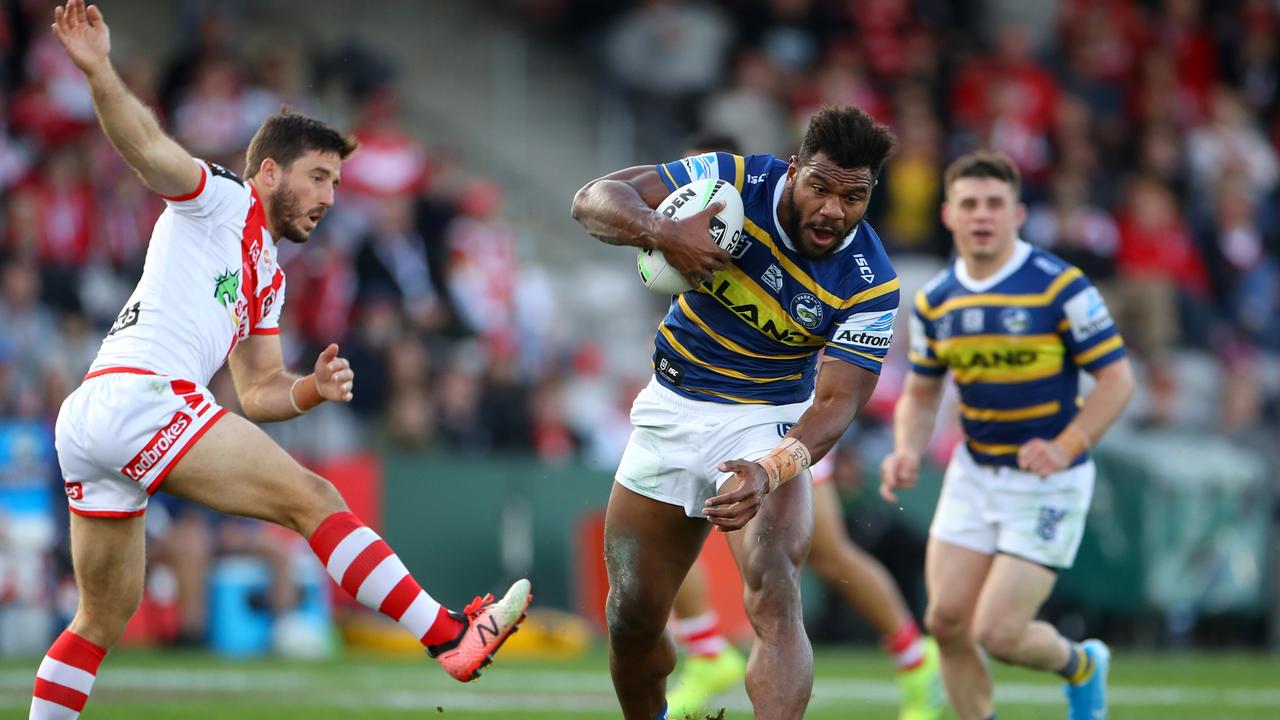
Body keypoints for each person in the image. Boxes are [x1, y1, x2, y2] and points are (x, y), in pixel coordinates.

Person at [30, 4, 531, 718]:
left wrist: (311, 390)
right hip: (140, 398)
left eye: (335, 182)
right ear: (267, 172)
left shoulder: (268, 271)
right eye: (319, 177)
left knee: (100, 621)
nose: (330, 198)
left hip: (96, 417)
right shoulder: (221, 201)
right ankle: (450, 635)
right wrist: (99, 69)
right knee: (315, 499)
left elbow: (258, 388)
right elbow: (145, 145)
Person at [572, 105, 900, 720]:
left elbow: (838, 402)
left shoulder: (870, 284)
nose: (833, 209)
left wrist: (771, 469)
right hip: (672, 404)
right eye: (820, 187)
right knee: (632, 616)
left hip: (765, 421)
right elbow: (593, 200)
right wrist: (660, 230)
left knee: (775, 595)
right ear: (795, 169)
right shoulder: (733, 182)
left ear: (870, 193)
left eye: (853, 197)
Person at [661, 134, 945, 720]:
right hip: (691, 398)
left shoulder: (813, 240)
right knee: (665, 525)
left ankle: (917, 661)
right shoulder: (696, 224)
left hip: (784, 415)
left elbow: (841, 391)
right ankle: (705, 647)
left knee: (830, 555)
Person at [879, 150, 1135, 720]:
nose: (982, 215)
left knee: (997, 632)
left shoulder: (1061, 287)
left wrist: (1066, 443)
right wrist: (905, 449)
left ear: (1018, 214)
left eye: (995, 204)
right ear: (948, 215)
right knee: (945, 621)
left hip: (1049, 481)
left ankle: (1081, 664)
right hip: (974, 474)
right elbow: (922, 393)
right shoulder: (935, 301)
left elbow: (1118, 381)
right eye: (969, 204)